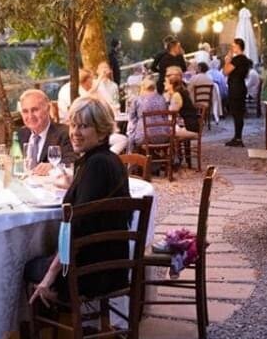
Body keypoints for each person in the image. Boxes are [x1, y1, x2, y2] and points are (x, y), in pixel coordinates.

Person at [26, 96, 131, 309]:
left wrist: (50, 276)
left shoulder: (96, 165)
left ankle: (54, 333)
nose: (74, 132)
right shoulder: (107, 160)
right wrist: (72, 186)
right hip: (112, 264)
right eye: (73, 125)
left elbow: (77, 228)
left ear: (101, 131)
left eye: (83, 126)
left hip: (94, 273)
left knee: (28, 266)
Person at [18, 89, 77, 176]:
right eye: (25, 111)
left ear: (47, 109)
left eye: (35, 110)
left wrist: (54, 166)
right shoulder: (21, 134)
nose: (30, 116)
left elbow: (73, 161)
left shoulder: (65, 133)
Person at [126, 78, 171, 152]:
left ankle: (135, 159)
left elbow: (132, 119)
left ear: (142, 87)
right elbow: (165, 117)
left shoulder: (137, 100)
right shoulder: (162, 99)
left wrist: (130, 136)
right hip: (164, 136)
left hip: (145, 138)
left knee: (133, 135)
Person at [224, 38, 251, 147]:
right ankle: (238, 136)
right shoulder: (245, 60)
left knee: (236, 113)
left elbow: (225, 71)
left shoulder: (237, 60)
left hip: (235, 87)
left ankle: (238, 138)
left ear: (238, 46)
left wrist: (227, 61)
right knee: (239, 113)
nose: (232, 48)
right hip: (241, 86)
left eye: (233, 46)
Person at [165, 69, 201, 136]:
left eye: (166, 82)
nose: (164, 84)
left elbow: (172, 113)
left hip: (188, 127)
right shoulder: (182, 92)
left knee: (164, 132)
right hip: (191, 124)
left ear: (171, 84)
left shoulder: (177, 95)